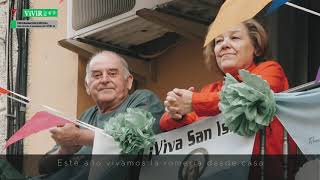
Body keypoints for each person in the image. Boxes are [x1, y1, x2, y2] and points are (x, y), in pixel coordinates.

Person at [160, 19, 297, 156]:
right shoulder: (210, 90)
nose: (224, 45)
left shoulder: (270, 70)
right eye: (218, 41)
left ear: (256, 47)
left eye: (235, 37)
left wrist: (194, 101)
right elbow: (167, 123)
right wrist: (176, 112)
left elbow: (248, 96)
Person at [38, 51, 164, 180]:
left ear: (128, 81)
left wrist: (78, 137)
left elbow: (132, 138)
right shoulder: (86, 116)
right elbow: (43, 168)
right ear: (87, 86)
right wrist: (64, 151)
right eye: (97, 75)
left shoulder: (142, 99)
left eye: (112, 74)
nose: (104, 80)